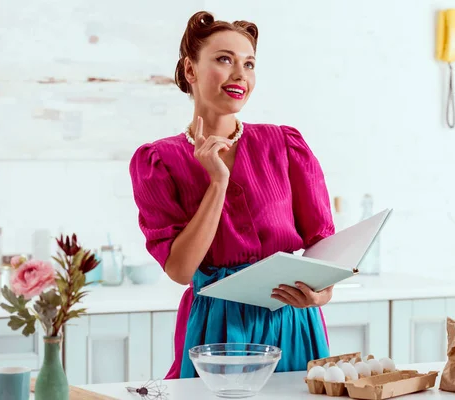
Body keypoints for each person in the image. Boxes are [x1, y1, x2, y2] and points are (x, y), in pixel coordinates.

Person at [129, 10, 335, 379]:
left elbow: (324, 246)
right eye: (225, 59)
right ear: (190, 70)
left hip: (292, 321)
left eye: (249, 63)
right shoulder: (158, 161)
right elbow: (179, 269)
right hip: (216, 328)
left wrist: (321, 295)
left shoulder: (285, 145)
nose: (241, 74)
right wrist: (217, 182)